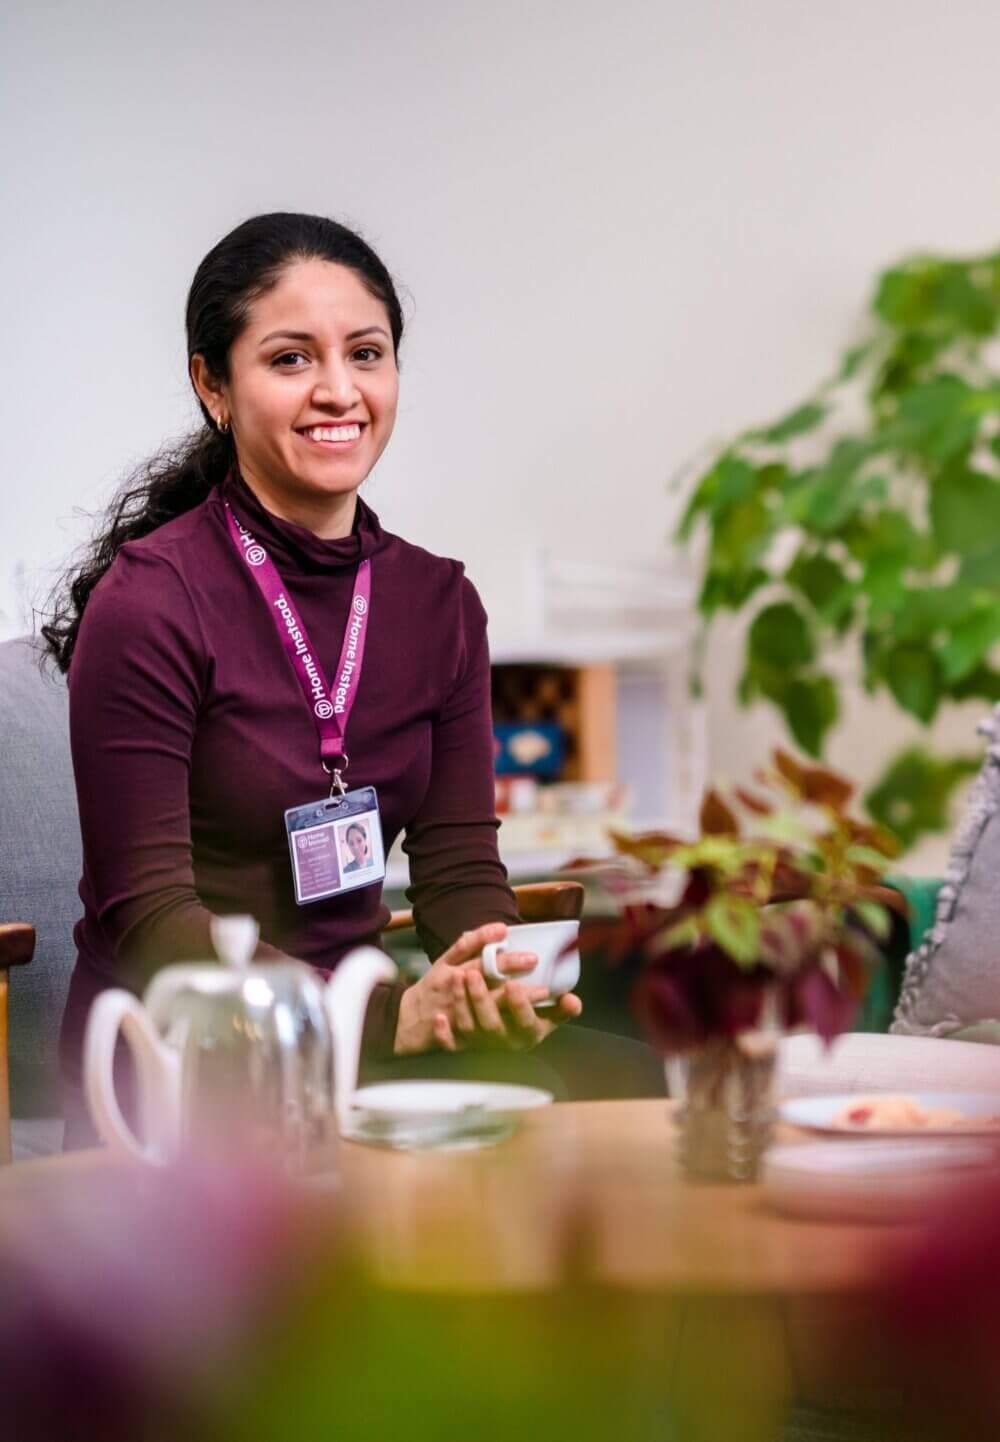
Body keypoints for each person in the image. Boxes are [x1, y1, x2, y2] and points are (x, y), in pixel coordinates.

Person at [45, 213, 664, 1146]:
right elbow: (150, 917)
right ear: (212, 385)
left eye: (366, 354)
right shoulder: (152, 603)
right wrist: (385, 1016)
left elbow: (460, 869)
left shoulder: (439, 601)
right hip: (195, 1060)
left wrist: (490, 979)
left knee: (634, 1087)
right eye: (290, 360)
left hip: (379, 1045)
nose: (340, 391)